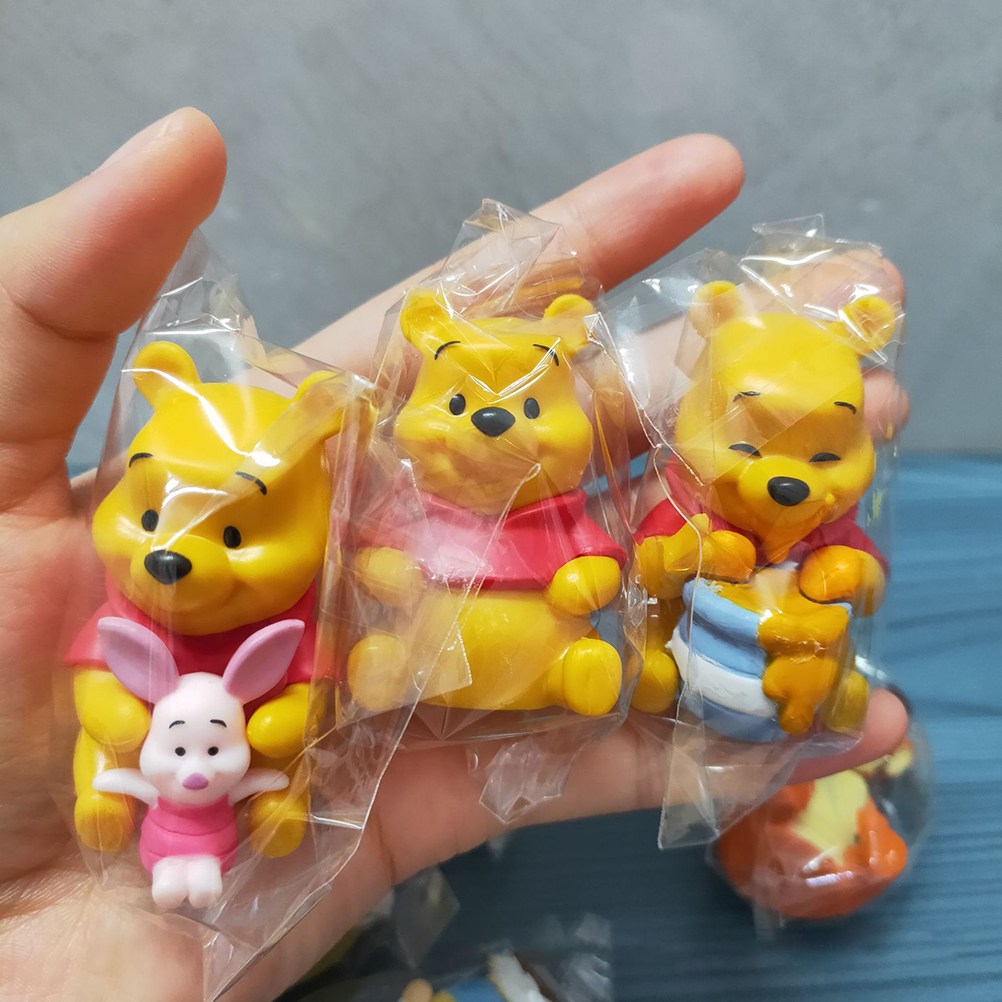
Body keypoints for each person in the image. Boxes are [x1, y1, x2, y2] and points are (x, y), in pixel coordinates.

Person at [0, 108, 907, 1001]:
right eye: (463, 406)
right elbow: (358, 588)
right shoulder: (374, 526)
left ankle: (575, 674)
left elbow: (597, 565)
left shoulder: (573, 511)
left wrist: (596, 577)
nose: (495, 426)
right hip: (391, 680)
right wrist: (375, 585)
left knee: (543, 662)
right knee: (354, 679)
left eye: (530, 407)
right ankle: (321, 725)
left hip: (589, 660)